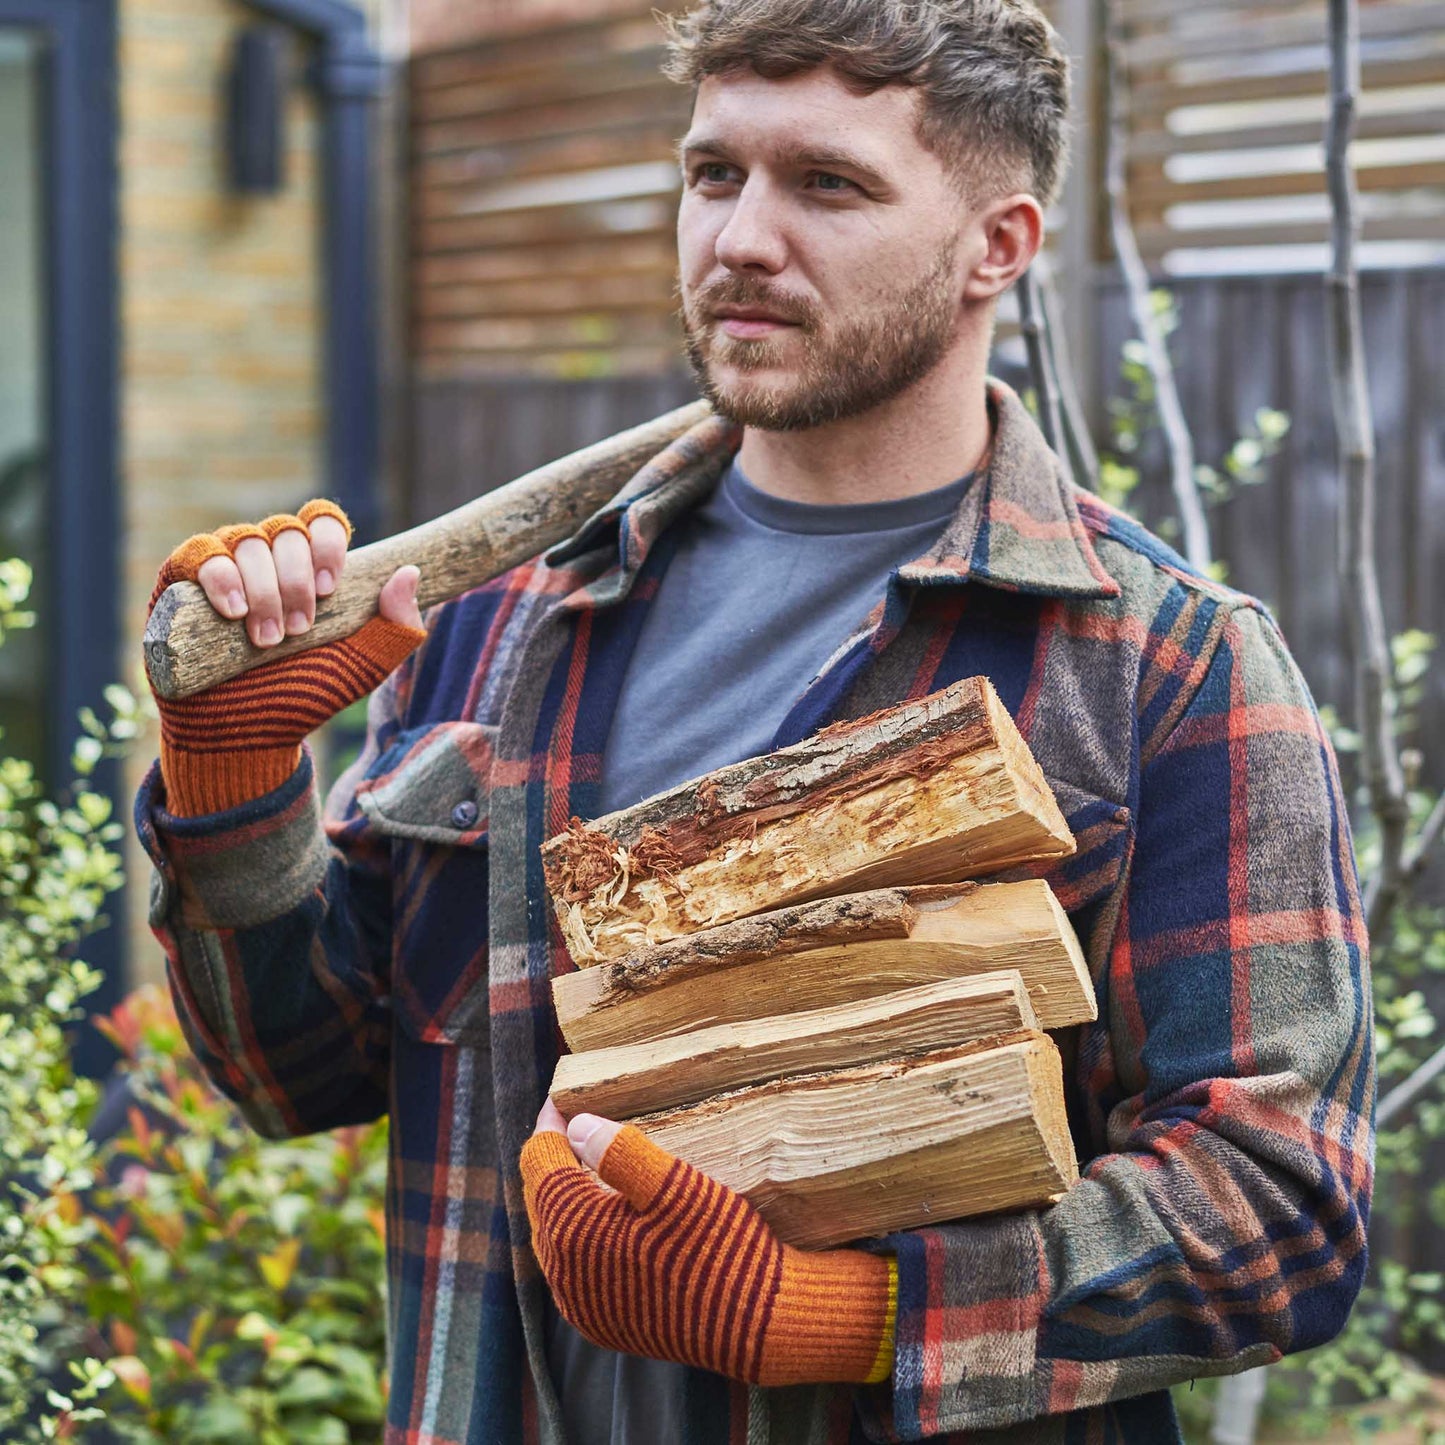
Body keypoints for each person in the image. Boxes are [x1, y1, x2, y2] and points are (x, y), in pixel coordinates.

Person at [133, 1, 1374, 1441]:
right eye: (713, 173)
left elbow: (1279, 1208)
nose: (739, 238)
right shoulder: (494, 617)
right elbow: (294, 1066)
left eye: (826, 184)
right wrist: (231, 778)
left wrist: (851, 1317)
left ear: (999, 245)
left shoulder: (1160, 669)